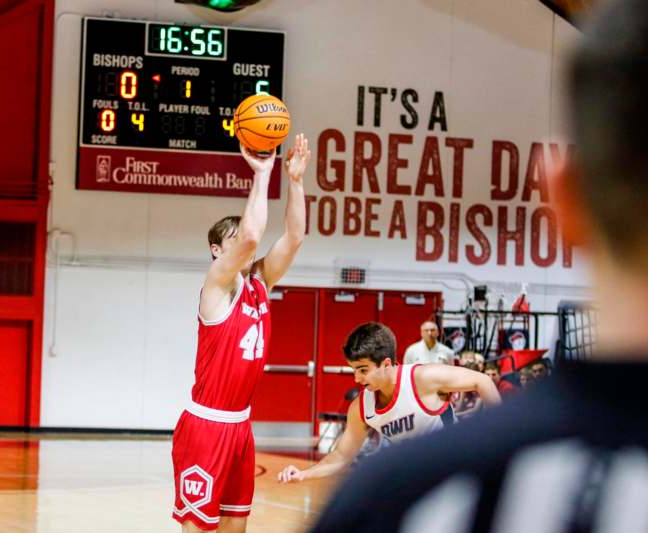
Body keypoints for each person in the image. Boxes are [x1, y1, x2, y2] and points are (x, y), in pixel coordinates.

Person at [312, 2, 648, 530]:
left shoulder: (400, 493)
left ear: (560, 196)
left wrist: (489, 434)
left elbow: (477, 388)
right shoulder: (376, 424)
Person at [171, 135, 310, 532]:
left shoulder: (261, 282)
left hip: (241, 427)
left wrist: (296, 181)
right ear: (217, 251)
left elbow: (295, 238)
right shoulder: (216, 284)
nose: (248, 246)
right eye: (234, 242)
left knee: (237, 528)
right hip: (205, 427)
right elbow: (251, 236)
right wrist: (263, 173)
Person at [277, 322, 500, 484]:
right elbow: (342, 455)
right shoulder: (362, 407)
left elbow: (483, 381)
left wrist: (501, 436)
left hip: (454, 470)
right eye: (354, 370)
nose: (357, 379)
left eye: (363, 370)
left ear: (385, 364)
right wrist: (305, 473)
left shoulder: (423, 378)